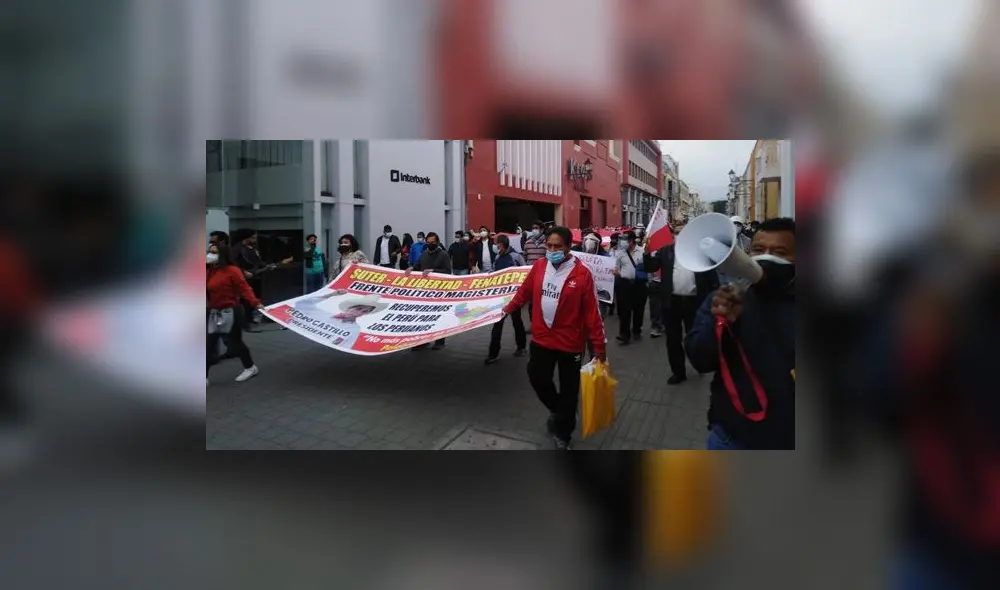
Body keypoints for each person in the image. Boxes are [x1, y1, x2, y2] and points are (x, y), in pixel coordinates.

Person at [684, 218, 795, 450]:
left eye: (780, 252)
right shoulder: (724, 297)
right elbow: (700, 359)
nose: (766, 257)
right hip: (731, 436)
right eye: (758, 250)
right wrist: (722, 322)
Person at [502, 226, 606, 450]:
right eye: (549, 245)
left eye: (557, 246)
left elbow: (593, 315)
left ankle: (563, 434)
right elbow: (524, 292)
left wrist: (599, 349)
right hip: (541, 339)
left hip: (570, 344)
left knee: (569, 391)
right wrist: (506, 309)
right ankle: (560, 412)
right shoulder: (539, 266)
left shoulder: (582, 274)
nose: (552, 250)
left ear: (569, 247)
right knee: (536, 377)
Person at [643, 223, 719, 384]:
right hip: (672, 303)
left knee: (695, 337)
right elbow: (650, 267)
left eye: (683, 233)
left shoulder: (701, 254)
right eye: (677, 232)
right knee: (673, 339)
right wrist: (646, 252)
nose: (680, 235)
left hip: (694, 303)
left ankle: (699, 363)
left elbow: (713, 279)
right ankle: (678, 372)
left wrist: (713, 300)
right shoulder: (666, 251)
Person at [207, 243, 263, 384]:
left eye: (214, 252)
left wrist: (255, 303)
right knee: (209, 344)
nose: (210, 255)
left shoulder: (232, 271)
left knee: (235, 343)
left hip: (230, 311)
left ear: (223, 255)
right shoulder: (209, 271)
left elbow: (245, 289)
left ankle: (250, 367)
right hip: (214, 312)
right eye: (209, 251)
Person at [406, 232, 452, 350]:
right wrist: (411, 268)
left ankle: (440, 341)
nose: (430, 244)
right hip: (424, 291)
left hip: (438, 291)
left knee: (438, 316)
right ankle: (423, 341)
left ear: (437, 242)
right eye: (428, 242)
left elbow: (447, 271)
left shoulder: (443, 255)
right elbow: (417, 266)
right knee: (423, 317)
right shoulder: (424, 254)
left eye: (433, 242)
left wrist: (433, 271)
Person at [485, 235, 527, 364]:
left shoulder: (516, 257)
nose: (495, 247)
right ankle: (493, 353)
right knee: (497, 325)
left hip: (514, 298)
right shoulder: (497, 258)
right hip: (500, 299)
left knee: (517, 321)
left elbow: (524, 274)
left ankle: (521, 347)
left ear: (503, 244)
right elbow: (493, 272)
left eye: (497, 245)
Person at [612, 230, 647, 344]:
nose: (622, 243)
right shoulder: (620, 253)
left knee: (638, 309)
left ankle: (636, 330)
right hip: (624, 284)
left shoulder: (642, 252)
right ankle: (624, 334)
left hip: (639, 285)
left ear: (631, 241)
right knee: (624, 310)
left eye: (624, 240)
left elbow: (648, 267)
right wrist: (615, 272)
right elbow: (616, 267)